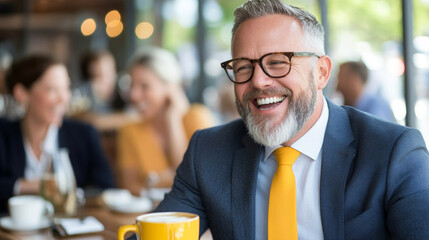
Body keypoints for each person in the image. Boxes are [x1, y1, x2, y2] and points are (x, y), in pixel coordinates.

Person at [152, 0, 429, 239]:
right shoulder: (209, 152)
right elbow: (160, 232)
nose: (258, 81)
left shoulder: (395, 152)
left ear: (321, 73)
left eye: (277, 62)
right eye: (243, 67)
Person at [0, 55, 116, 213]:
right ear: (22, 93)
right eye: (52, 89)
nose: (64, 98)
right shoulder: (4, 135)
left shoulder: (84, 135)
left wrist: (71, 193)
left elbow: (106, 188)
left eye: (66, 88)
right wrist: (31, 186)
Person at [116, 47, 215, 196]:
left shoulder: (197, 117)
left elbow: (201, 181)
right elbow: (130, 186)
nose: (134, 95)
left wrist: (172, 120)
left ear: (170, 87)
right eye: (132, 86)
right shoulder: (129, 131)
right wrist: (170, 177)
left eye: (144, 86)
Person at [73, 50, 125, 114]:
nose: (107, 80)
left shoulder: (122, 98)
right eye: (98, 76)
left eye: (110, 72)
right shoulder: (81, 99)